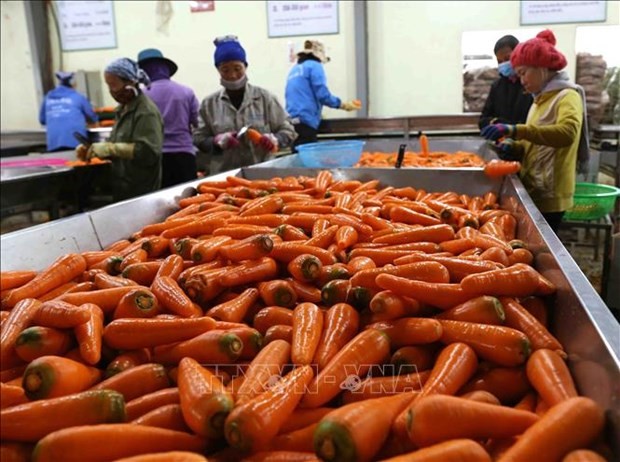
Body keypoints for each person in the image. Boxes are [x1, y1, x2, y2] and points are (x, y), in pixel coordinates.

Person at [481, 30, 589, 232]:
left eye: (523, 72)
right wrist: (514, 147)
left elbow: (567, 133)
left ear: (541, 68)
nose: (521, 79)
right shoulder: (538, 100)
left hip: (551, 193)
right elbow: (534, 141)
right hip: (534, 188)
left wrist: (516, 130)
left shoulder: (567, 96)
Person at [193, 35, 296, 174]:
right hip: (225, 176)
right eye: (225, 70)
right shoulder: (209, 104)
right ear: (218, 70)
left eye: (237, 68)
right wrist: (216, 142)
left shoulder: (265, 99)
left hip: (263, 173)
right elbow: (199, 139)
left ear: (245, 67)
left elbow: (288, 131)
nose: (233, 75)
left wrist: (276, 139)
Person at [77, 58, 164, 202]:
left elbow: (149, 152)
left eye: (114, 85)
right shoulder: (122, 110)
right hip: (123, 186)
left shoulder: (145, 112)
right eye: (108, 86)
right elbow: (115, 146)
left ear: (130, 83)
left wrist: (111, 149)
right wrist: (93, 150)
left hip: (142, 188)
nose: (111, 91)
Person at [137, 48, 200, 188]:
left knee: (160, 205)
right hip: (184, 155)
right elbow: (197, 123)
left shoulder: (141, 96)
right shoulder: (186, 91)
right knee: (188, 202)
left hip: (155, 158)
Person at [285, 39, 360, 149]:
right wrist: (342, 104)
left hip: (292, 120)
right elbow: (322, 95)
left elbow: (300, 95)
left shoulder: (294, 69)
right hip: (306, 120)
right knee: (307, 160)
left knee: (297, 155)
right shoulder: (315, 66)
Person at [478, 35, 533, 130]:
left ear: (518, 55)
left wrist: (505, 126)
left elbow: (531, 121)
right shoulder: (497, 86)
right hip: (500, 140)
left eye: (507, 59)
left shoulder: (531, 84)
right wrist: (495, 123)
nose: (503, 64)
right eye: (499, 61)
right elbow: (483, 120)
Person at [39, 71, 98, 152]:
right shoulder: (78, 97)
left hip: (54, 143)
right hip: (75, 143)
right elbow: (92, 116)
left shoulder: (48, 97)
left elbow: (42, 120)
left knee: (59, 164)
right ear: (72, 83)